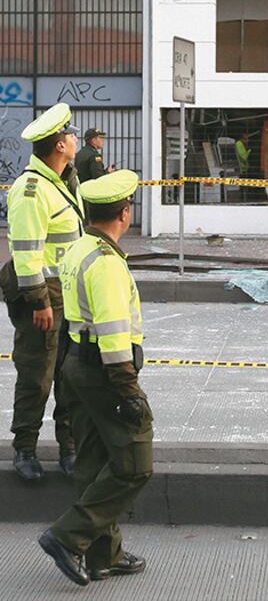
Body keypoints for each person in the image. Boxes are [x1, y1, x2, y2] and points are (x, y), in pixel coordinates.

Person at [39, 169, 149, 586]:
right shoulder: (106, 265)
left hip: (76, 366)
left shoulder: (78, 248)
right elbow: (113, 334)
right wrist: (129, 390)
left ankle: (105, 555)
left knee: (92, 460)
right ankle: (68, 537)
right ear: (124, 213)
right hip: (104, 372)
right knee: (134, 464)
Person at [2, 103, 81, 481]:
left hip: (69, 296)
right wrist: (39, 302)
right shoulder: (32, 190)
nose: (75, 137)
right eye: (70, 133)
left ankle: (69, 449)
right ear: (59, 145)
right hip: (44, 297)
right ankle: (25, 450)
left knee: (69, 376)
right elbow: (26, 253)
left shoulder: (64, 181)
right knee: (37, 375)